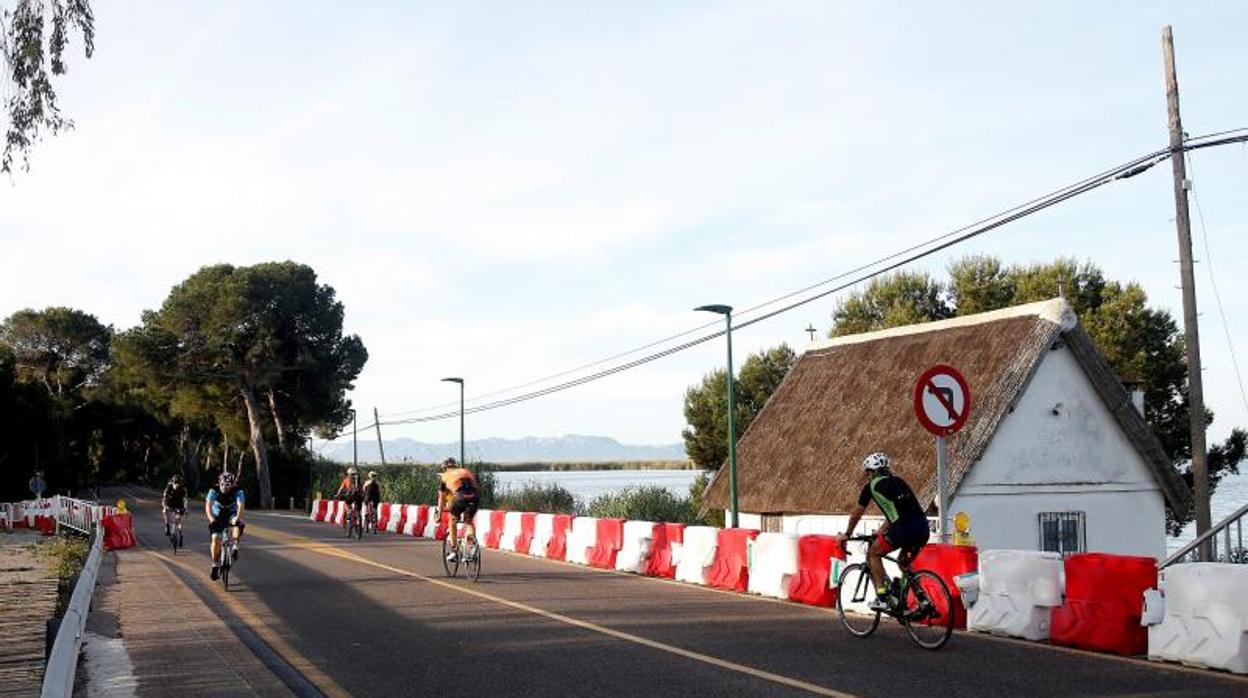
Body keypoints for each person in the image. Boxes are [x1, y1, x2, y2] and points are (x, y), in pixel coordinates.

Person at [837, 452, 930, 613]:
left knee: (873, 553)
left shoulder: (870, 487)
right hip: (922, 528)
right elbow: (897, 512)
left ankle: (882, 598)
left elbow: (856, 514)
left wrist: (847, 534)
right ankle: (923, 600)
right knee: (903, 562)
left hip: (903, 528)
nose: (866, 476)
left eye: (867, 472)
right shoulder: (899, 481)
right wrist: (880, 531)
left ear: (872, 472)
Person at [205, 472, 246, 580]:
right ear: (219, 483)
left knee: (239, 524)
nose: (224, 487)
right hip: (217, 515)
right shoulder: (213, 490)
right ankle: (215, 565)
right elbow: (208, 506)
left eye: (228, 485)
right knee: (215, 539)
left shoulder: (238, 491)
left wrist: (237, 518)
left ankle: (235, 546)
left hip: (231, 513)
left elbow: (241, 506)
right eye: (222, 484)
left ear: (232, 485)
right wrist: (212, 519)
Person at [438, 458, 479, 562]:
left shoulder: (445, 476)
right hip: (474, 496)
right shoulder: (466, 471)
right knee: (469, 521)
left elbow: (441, 499)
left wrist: (439, 515)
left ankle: (454, 551)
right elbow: (475, 486)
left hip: (460, 497)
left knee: (452, 520)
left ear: (444, 468)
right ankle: (471, 546)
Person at [335, 466, 365, 530]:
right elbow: (362, 488)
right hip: (359, 496)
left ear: (349, 473)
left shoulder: (347, 479)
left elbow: (341, 488)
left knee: (347, 503)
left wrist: (337, 494)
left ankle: (349, 512)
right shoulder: (359, 480)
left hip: (351, 496)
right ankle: (358, 517)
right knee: (358, 508)